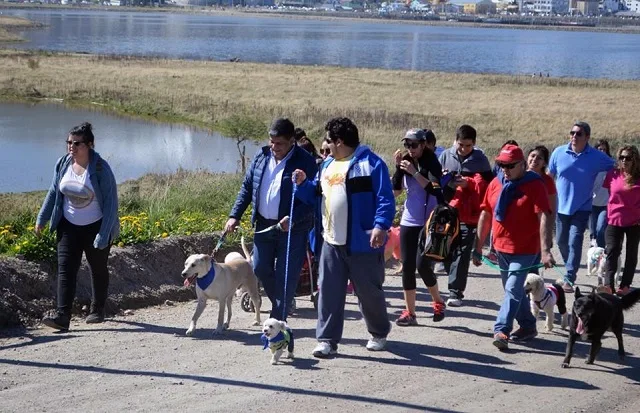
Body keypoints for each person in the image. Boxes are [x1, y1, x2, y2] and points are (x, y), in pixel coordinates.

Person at [294, 117, 394, 357]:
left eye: (329, 140)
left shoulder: (372, 164)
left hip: (363, 243)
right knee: (328, 292)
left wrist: (381, 226)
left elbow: (385, 199)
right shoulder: (327, 165)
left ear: (339, 141)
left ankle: (378, 333)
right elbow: (315, 195)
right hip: (330, 241)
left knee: (369, 292)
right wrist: (303, 185)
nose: (326, 145)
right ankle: (327, 339)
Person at [225, 118, 317, 321]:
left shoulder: (306, 162)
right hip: (264, 226)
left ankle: (277, 321)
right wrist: (235, 215)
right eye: (271, 142)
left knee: (286, 277)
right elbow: (247, 187)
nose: (274, 147)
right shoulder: (261, 155)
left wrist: (291, 219)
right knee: (259, 267)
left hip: (293, 229)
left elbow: (313, 200)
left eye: (280, 143)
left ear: (292, 141)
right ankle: (282, 303)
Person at [36, 122, 120, 331]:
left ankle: (97, 309)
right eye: (69, 143)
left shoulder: (101, 169)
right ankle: (62, 316)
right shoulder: (63, 163)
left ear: (90, 145)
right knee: (65, 269)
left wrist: (103, 234)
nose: (71, 147)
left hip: (96, 226)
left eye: (77, 143)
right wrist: (42, 218)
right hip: (68, 226)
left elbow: (111, 205)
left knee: (97, 268)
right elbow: (54, 192)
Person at [473, 144, 555, 350]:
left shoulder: (535, 184)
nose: (505, 170)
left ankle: (501, 330)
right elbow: (486, 213)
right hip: (501, 248)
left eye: (510, 166)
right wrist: (477, 246)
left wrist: (545, 250)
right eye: (501, 165)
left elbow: (544, 216)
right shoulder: (496, 182)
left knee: (512, 289)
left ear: (522, 165)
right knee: (514, 291)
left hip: (526, 249)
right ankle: (528, 325)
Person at [549, 122, 615, 292]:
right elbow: (550, 176)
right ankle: (570, 266)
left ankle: (570, 276)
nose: (574, 136)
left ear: (587, 137)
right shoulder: (559, 152)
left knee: (575, 240)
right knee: (562, 241)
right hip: (561, 207)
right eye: (572, 132)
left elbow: (615, 166)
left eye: (579, 134)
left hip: (583, 207)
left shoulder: (595, 156)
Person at [391, 128, 446, 325]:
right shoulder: (406, 161)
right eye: (407, 145)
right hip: (408, 220)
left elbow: (434, 188)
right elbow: (396, 190)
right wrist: (398, 167)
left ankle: (438, 301)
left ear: (423, 144)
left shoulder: (432, 162)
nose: (410, 149)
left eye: (414, 145)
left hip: (428, 221)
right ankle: (410, 312)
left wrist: (414, 173)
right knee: (407, 267)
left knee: (422, 265)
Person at [438, 125, 493, 307]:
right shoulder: (446, 156)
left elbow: (489, 187)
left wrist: (469, 184)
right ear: (455, 141)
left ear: (474, 144)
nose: (463, 149)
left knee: (462, 253)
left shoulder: (481, 160)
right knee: (446, 251)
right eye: (461, 145)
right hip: (447, 211)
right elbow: (435, 182)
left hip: (470, 215)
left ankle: (455, 292)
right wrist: (447, 181)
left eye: (468, 146)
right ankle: (451, 275)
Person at [603, 145, 640, 296]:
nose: (624, 161)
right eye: (622, 157)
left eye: (628, 158)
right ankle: (608, 285)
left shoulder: (638, 177)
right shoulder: (613, 174)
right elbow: (609, 194)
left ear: (635, 160)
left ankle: (625, 285)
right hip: (614, 220)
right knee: (612, 251)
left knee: (631, 253)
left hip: (635, 222)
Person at [590, 139, 612, 248]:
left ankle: (601, 252)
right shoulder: (591, 164)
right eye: (599, 149)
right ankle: (595, 252)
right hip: (592, 203)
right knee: (593, 232)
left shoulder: (611, 165)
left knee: (600, 229)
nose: (602, 151)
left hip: (606, 203)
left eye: (604, 149)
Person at [527, 145, 557, 217]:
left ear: (544, 163)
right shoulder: (520, 176)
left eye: (539, 158)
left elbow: (552, 207)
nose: (534, 159)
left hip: (540, 221)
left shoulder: (547, 181)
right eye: (532, 156)